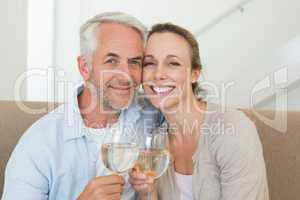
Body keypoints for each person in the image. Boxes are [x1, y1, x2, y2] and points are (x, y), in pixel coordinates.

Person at [2, 12, 160, 200]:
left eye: (135, 62)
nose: (126, 74)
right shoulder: (39, 142)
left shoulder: (156, 116)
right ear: (85, 67)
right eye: (111, 61)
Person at [129, 23, 269, 200]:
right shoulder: (156, 141)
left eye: (173, 63)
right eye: (150, 63)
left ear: (194, 74)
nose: (158, 74)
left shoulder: (233, 129)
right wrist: (148, 192)